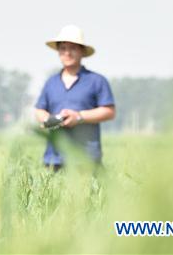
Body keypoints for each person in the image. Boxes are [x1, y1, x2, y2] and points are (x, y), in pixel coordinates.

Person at [34, 25, 116, 170]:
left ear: (82, 51)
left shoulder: (97, 81)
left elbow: (109, 111)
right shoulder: (51, 82)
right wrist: (52, 120)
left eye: (73, 48)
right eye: (63, 48)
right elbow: (39, 111)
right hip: (54, 158)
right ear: (58, 51)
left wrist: (78, 117)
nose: (67, 53)